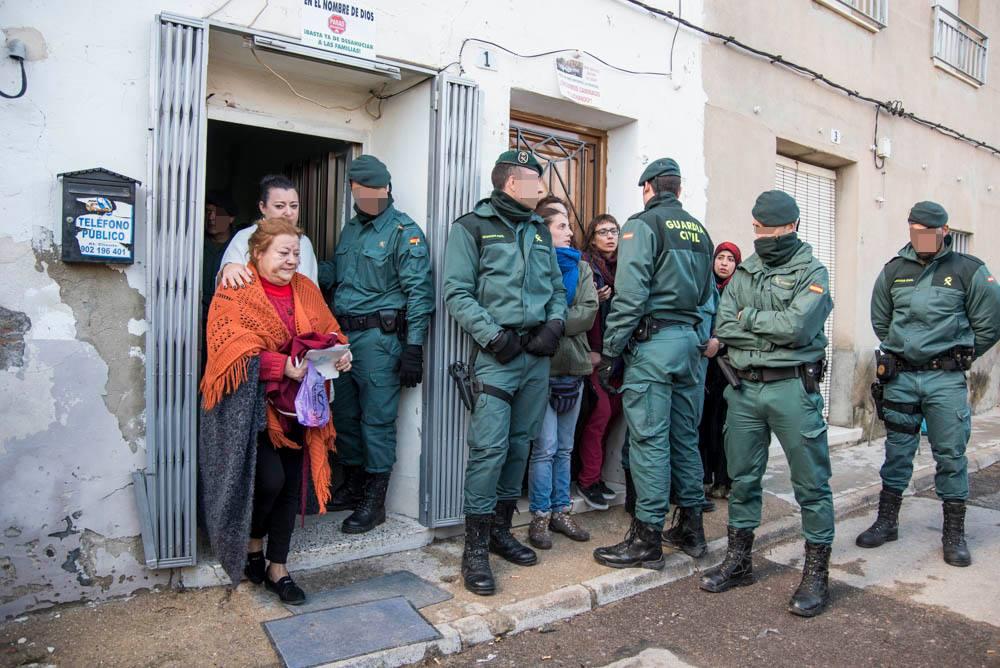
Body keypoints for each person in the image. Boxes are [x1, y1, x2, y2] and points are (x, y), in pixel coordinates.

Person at [199, 219, 352, 604]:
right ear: (258, 253)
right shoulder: (237, 288)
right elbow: (227, 351)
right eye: (283, 253)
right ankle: (252, 544)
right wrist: (278, 366)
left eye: (296, 254)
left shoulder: (306, 288)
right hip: (255, 410)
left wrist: (341, 353)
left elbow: (330, 330)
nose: (291, 261)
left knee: (292, 486)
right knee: (270, 482)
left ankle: (277, 567)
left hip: (300, 408)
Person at [701, 190, 834, 618]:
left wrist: (748, 324)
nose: (761, 236)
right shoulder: (746, 270)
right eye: (757, 228)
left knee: (810, 483)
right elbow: (723, 323)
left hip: (791, 389)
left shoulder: (812, 271)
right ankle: (739, 561)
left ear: (791, 227)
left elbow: (797, 328)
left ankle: (816, 574)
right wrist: (759, 329)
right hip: (743, 389)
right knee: (741, 478)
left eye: (770, 229)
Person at [443, 149, 567, 596]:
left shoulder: (538, 229)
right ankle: (474, 547)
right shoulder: (472, 227)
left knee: (520, 446)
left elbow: (555, 287)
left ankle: (500, 530)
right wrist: (493, 336)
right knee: (489, 449)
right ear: (512, 183)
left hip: (536, 354)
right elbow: (456, 292)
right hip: (497, 355)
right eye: (536, 179)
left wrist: (554, 324)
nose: (542, 187)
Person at [857, 201, 1000, 566]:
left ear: (944, 232)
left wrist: (955, 354)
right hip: (901, 378)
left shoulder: (968, 270)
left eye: (928, 232)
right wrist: (906, 347)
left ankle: (954, 533)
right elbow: (881, 319)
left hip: (945, 380)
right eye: (914, 230)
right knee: (897, 451)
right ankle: (887, 522)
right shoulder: (894, 270)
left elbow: (989, 324)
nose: (920, 238)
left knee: (950, 454)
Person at [591, 157, 714, 571]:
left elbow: (629, 295)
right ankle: (692, 529)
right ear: (676, 190)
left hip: (654, 345)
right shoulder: (700, 231)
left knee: (649, 441)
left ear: (648, 188)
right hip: (688, 345)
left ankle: (646, 538)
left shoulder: (641, 225)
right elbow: (706, 294)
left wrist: (611, 351)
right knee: (684, 437)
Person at [316, 155, 435, 534]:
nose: (371, 196)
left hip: (380, 343)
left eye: (377, 190)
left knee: (377, 422)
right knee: (345, 416)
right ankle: (352, 485)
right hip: (342, 338)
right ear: (354, 190)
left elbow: (420, 295)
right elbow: (339, 274)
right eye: (363, 190)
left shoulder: (404, 231)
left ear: (387, 189)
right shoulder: (351, 230)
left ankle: (374, 500)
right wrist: (301, 263)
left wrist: (414, 349)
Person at [527, 204, 598, 550]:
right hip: (541, 371)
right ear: (543, 231)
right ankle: (539, 516)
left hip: (574, 368)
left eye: (569, 226)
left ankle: (561, 511)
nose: (570, 232)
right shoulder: (533, 263)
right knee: (545, 448)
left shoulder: (582, 267)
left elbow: (587, 312)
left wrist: (552, 326)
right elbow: (529, 311)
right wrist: (555, 322)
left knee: (565, 448)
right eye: (561, 226)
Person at [578, 214, 625, 511]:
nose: (610, 236)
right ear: (592, 238)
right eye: (602, 231)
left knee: (613, 414)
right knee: (599, 415)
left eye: (614, 231)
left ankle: (596, 477)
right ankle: (587, 479)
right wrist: (591, 297)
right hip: (594, 353)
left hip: (619, 353)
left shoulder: (625, 268)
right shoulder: (586, 265)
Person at [218, 175, 320, 287]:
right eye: (280, 206)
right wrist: (227, 268)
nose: (289, 212)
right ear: (262, 207)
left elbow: (313, 289)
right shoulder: (244, 238)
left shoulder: (304, 242)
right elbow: (225, 284)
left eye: (294, 206)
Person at [698, 242, 741, 500]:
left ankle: (725, 480)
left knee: (725, 425)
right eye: (720, 258)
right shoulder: (705, 286)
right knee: (704, 423)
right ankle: (704, 478)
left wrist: (721, 340)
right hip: (705, 366)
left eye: (730, 259)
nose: (724, 263)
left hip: (730, 367)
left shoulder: (739, 290)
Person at [202, 191, 238, 316]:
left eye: (217, 213)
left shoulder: (240, 245)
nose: (211, 217)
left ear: (231, 218)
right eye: (208, 211)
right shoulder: (195, 245)